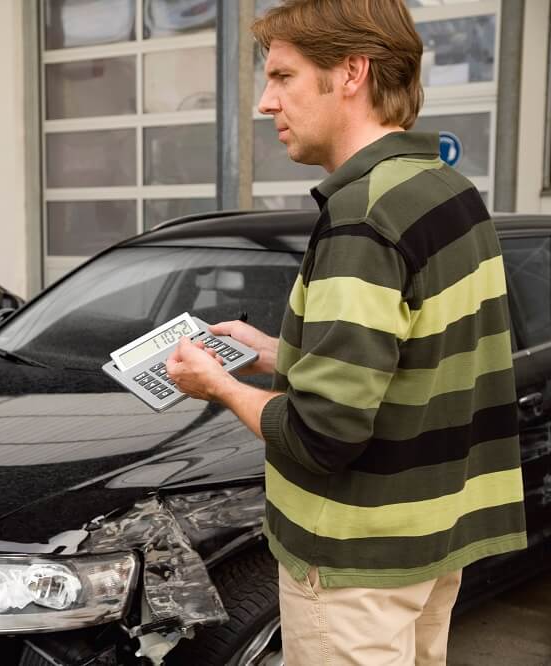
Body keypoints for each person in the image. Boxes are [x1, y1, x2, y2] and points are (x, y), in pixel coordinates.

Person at [166, 1, 526, 663]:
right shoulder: (446, 189)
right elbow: (416, 357)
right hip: (430, 542)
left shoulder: (364, 215)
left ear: (352, 72)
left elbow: (324, 434)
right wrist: (278, 352)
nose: (266, 103)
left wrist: (218, 385)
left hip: (354, 564)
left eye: (282, 77)